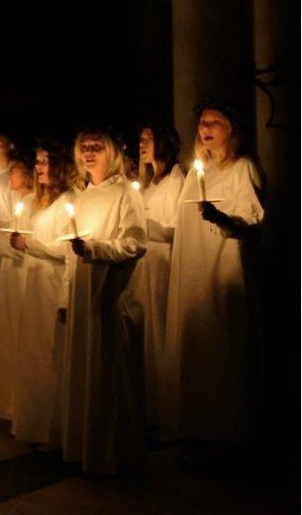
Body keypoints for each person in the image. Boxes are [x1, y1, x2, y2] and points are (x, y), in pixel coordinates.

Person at [161, 100, 264, 450]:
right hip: (194, 268)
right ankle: (194, 428)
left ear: (231, 128)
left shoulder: (242, 167)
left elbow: (252, 218)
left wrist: (220, 218)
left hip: (223, 267)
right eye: (202, 122)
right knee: (195, 346)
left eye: (215, 122)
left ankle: (226, 433)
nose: (206, 128)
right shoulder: (197, 171)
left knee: (222, 348)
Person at [60, 128, 147, 474]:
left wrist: (95, 248)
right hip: (83, 291)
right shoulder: (82, 195)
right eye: (85, 147)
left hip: (112, 292)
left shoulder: (125, 193)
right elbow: (71, 250)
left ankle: (115, 456)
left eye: (97, 147)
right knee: (87, 369)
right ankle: (88, 450)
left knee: (111, 373)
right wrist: (66, 291)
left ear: (112, 152)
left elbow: (135, 243)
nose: (90, 153)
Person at [9, 143, 74, 446]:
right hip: (32, 287)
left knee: (50, 355)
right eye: (37, 161)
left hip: (51, 286)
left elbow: (68, 250)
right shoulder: (36, 201)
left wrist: (30, 245)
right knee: (32, 354)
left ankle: (55, 428)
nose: (39, 167)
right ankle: (32, 424)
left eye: (46, 162)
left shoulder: (69, 202)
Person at [134, 123, 183, 426]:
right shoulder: (148, 183)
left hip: (162, 262)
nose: (142, 144)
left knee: (159, 332)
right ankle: (148, 405)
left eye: (148, 138)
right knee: (145, 333)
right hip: (144, 264)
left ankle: (166, 410)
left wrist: (147, 225)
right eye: (140, 139)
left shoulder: (176, 180)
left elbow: (177, 228)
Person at [0, 156, 34, 420]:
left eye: (15, 172)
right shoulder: (19, 203)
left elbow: (22, 248)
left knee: (17, 333)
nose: (10, 177)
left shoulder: (29, 203)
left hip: (20, 277)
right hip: (9, 274)